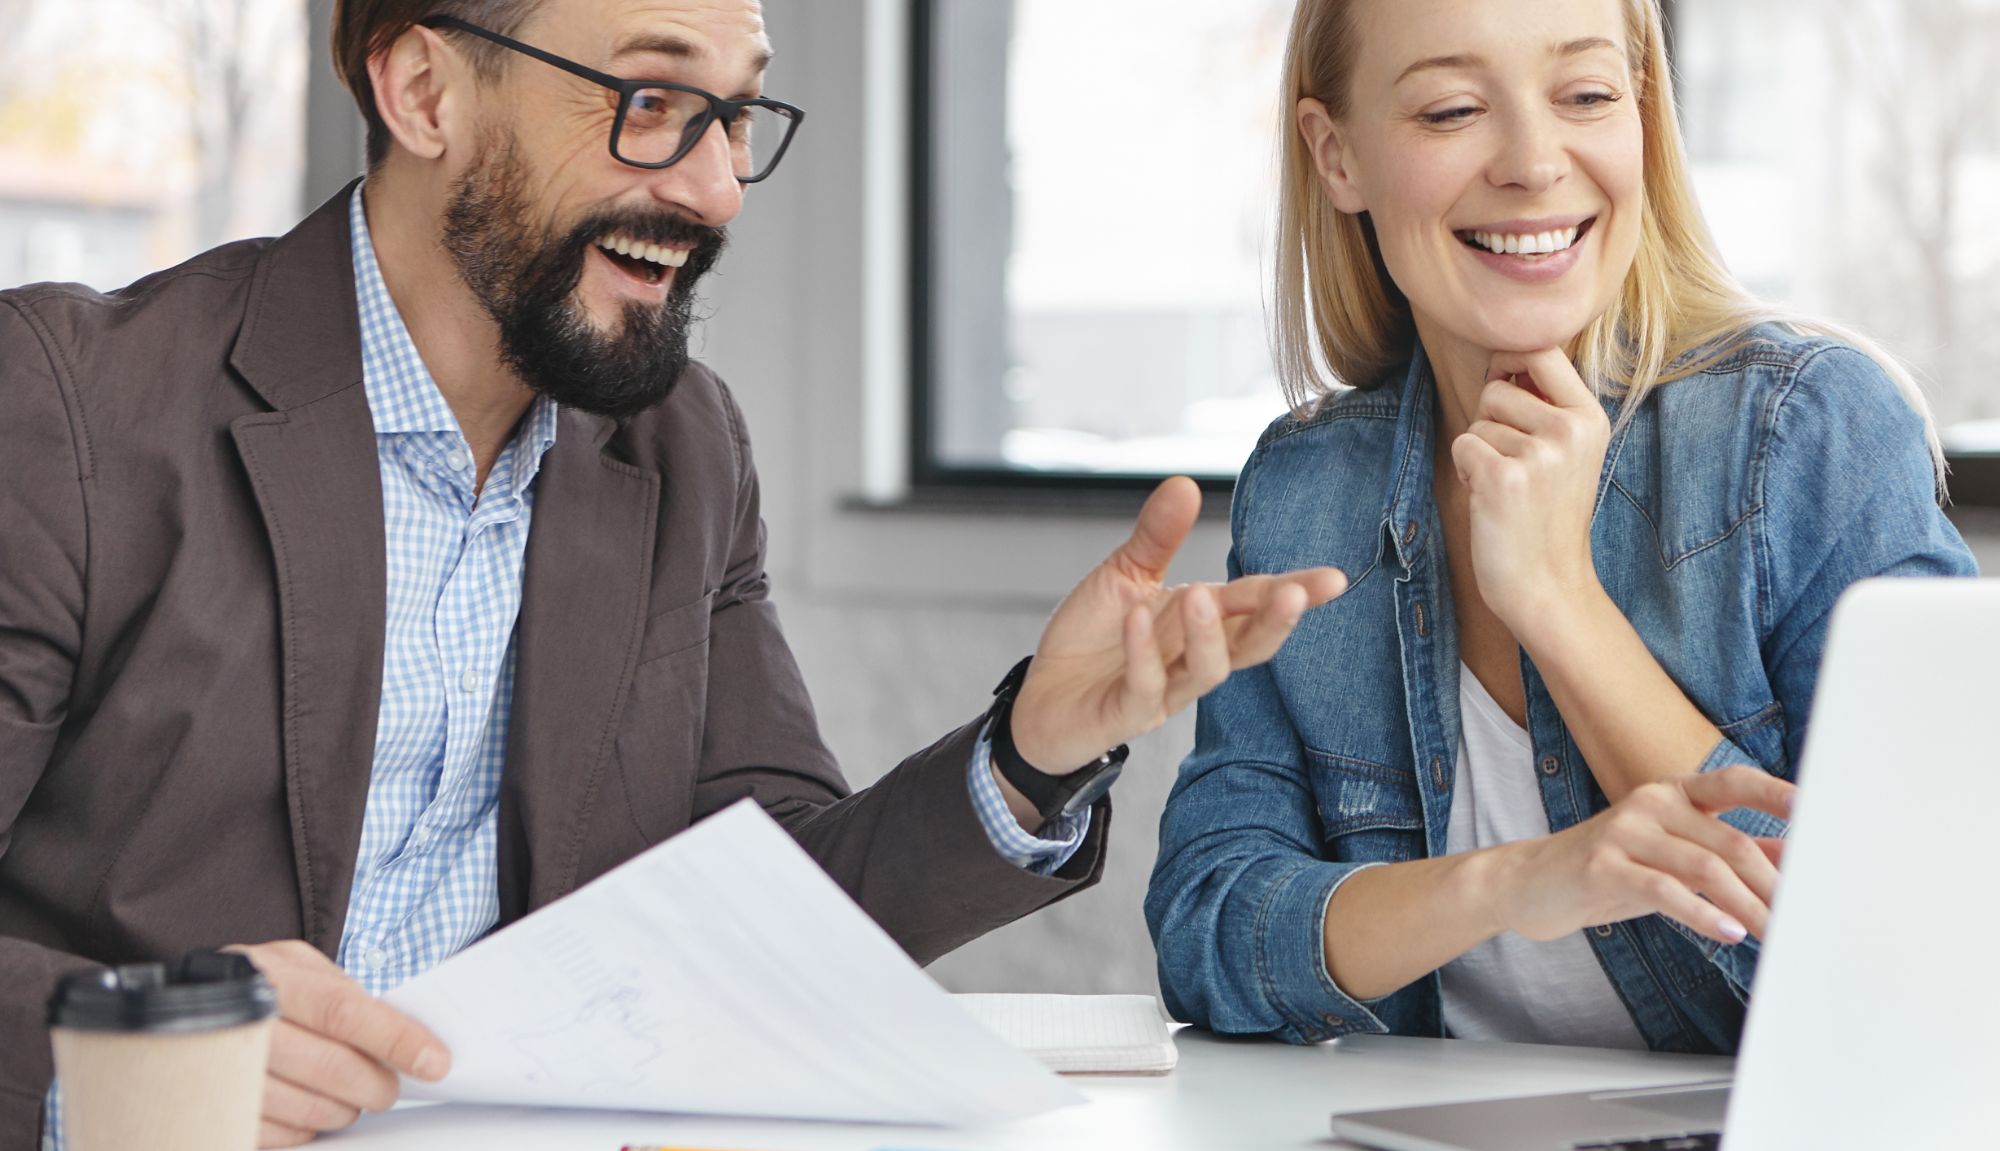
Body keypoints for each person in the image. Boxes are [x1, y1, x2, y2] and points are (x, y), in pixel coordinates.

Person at [0, 1, 1349, 1146]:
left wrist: (1030, 754)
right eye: (648, 100)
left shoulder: (682, 446)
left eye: (738, 115)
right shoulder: (70, 409)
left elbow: (772, 905)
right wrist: (125, 1062)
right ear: (423, 91)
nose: (710, 189)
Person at [1145, 0, 1978, 1057]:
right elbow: (1209, 924)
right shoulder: (1307, 489)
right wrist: (1516, 881)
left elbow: (1923, 956)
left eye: (1585, 95)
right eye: (1450, 110)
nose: (1534, 163)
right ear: (1335, 154)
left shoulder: (1800, 433)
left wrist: (1557, 601)